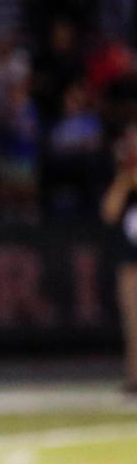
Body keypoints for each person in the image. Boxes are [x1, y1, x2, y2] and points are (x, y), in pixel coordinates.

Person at [100, 128, 137, 395]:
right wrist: (125, 181)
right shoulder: (125, 182)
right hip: (131, 257)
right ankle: (135, 376)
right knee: (133, 319)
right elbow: (109, 213)